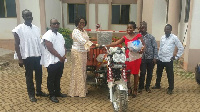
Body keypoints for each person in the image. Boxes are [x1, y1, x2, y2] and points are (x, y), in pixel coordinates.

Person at [12, 9, 48, 102]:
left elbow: (39, 42)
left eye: (30, 15)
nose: (29, 18)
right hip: (27, 56)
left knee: (39, 75)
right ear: (23, 17)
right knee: (29, 76)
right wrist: (20, 59)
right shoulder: (18, 29)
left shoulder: (36, 28)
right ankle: (31, 94)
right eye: (26, 16)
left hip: (37, 55)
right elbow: (16, 44)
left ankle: (39, 91)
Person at [106, 21, 145, 98]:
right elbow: (116, 43)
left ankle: (135, 90)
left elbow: (143, 45)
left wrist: (142, 50)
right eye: (128, 28)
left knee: (135, 73)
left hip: (136, 57)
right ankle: (129, 88)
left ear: (134, 29)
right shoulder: (125, 37)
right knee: (127, 73)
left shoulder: (138, 36)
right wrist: (107, 45)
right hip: (127, 57)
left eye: (131, 28)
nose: (129, 29)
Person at [152, 24, 184, 94]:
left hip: (169, 60)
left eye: (168, 29)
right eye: (166, 29)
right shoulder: (162, 37)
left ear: (171, 30)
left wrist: (176, 57)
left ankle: (170, 88)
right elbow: (160, 48)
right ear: (164, 30)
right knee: (158, 73)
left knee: (170, 75)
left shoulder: (174, 38)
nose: (167, 30)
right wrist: (157, 57)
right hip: (161, 59)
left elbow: (181, 48)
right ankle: (157, 85)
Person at [40, 19, 67, 103]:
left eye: (57, 24)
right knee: (51, 78)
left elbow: (64, 46)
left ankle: (58, 92)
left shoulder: (59, 35)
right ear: (50, 25)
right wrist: (60, 56)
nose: (56, 25)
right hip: (52, 61)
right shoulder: (48, 35)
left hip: (60, 60)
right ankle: (52, 94)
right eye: (54, 24)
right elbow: (50, 48)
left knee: (58, 77)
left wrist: (64, 55)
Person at [69, 17, 93, 98]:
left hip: (83, 53)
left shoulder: (84, 31)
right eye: (80, 22)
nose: (82, 24)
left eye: (83, 22)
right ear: (77, 23)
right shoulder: (75, 31)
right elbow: (83, 41)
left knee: (82, 71)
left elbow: (87, 41)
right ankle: (77, 92)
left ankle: (83, 89)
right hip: (77, 52)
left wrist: (88, 53)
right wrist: (95, 45)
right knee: (78, 71)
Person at [138, 21, 158, 93]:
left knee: (149, 73)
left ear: (146, 28)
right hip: (142, 58)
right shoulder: (138, 37)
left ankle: (147, 87)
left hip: (150, 58)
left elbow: (155, 47)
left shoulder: (151, 37)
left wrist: (155, 57)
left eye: (144, 27)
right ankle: (140, 87)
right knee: (142, 73)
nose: (142, 28)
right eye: (141, 27)